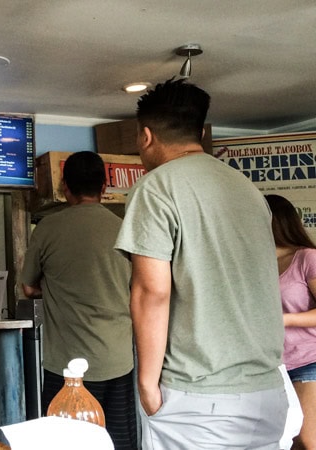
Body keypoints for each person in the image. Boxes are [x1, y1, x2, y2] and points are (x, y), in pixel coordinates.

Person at [114, 78, 287, 449]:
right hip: (267, 392)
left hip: (199, 398)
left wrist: (147, 383)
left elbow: (151, 291)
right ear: (200, 131)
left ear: (146, 136)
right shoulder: (247, 189)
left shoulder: (156, 186)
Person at [21, 151, 136, 449]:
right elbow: (141, 288)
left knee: (66, 443)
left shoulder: (47, 228)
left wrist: (57, 288)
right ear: (104, 188)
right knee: (118, 441)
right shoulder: (125, 228)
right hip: (118, 362)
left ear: (65, 189)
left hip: (67, 368)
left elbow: (28, 289)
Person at [267, 193, 316, 449]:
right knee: (285, 440)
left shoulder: (307, 258)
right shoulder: (256, 263)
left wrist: (283, 319)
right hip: (272, 365)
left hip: (308, 360)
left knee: (307, 439)